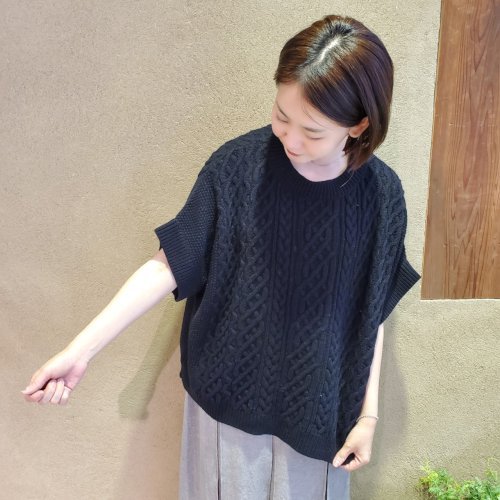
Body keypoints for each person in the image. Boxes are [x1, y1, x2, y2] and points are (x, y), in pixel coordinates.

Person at [22, 14, 421, 500]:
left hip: (320, 415)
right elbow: (169, 263)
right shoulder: (236, 167)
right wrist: (80, 350)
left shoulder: (382, 197)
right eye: (281, 116)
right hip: (225, 404)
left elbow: (370, 316)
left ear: (359, 125)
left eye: (313, 131)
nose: (291, 140)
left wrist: (368, 416)